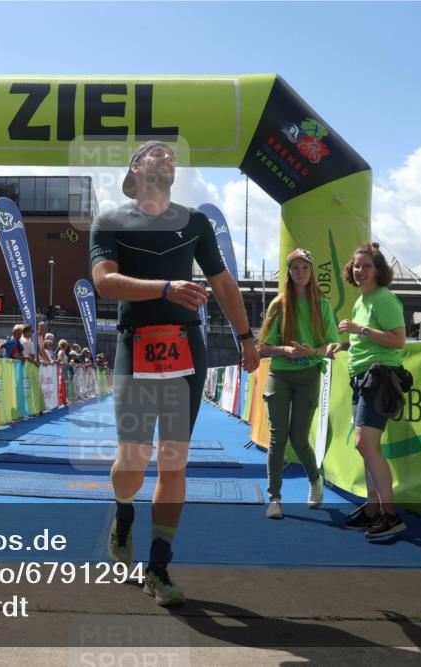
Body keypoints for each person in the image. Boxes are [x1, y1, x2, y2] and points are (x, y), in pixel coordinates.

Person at [90, 140, 260, 605]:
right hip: (135, 343)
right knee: (132, 461)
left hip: (186, 347)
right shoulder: (110, 222)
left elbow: (222, 282)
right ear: (136, 167)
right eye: (156, 153)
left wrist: (246, 338)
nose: (168, 157)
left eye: (172, 154)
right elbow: (104, 283)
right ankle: (123, 513)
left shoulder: (196, 222)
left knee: (173, 459)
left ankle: (159, 566)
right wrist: (166, 286)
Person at [329, 242, 407, 539]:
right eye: (356, 266)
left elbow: (398, 340)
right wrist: (344, 344)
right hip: (362, 378)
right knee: (365, 446)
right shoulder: (362, 302)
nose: (359, 271)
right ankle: (373, 507)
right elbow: (369, 339)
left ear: (378, 270)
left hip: (379, 378)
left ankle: (390, 515)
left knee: (365, 443)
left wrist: (359, 330)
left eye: (366, 266)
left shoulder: (384, 298)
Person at [257, 248, 340, 519]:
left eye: (305, 268)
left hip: (308, 376)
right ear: (288, 272)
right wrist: (285, 351)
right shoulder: (278, 304)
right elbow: (263, 346)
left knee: (299, 438)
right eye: (295, 268)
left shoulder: (322, 304)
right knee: (277, 437)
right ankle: (274, 498)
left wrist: (312, 352)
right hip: (279, 374)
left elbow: (332, 344)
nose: (300, 273)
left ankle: (314, 480)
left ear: (311, 271)